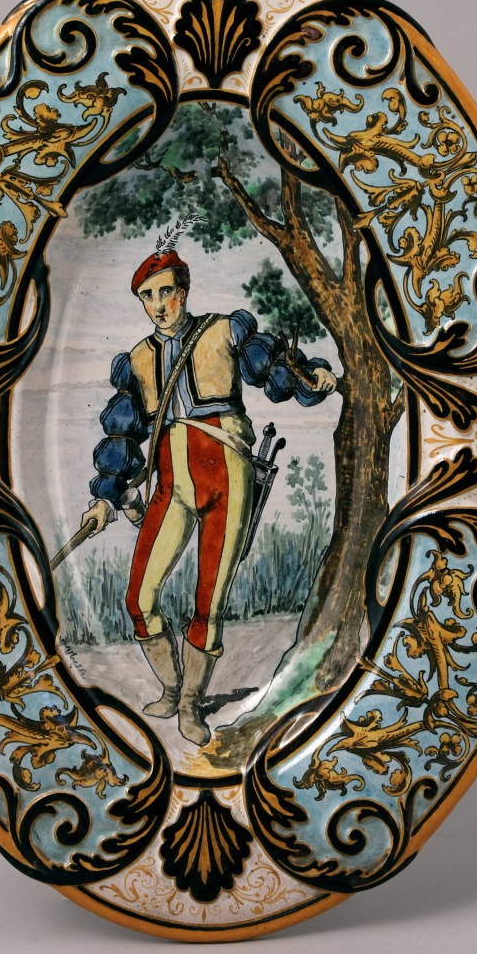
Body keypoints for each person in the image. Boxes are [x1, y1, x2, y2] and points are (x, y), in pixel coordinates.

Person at [79, 247, 337, 747]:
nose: (158, 305)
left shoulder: (225, 331)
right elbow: (122, 437)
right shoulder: (136, 361)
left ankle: (191, 704)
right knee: (139, 598)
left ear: (184, 291)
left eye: (166, 292)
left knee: (208, 604)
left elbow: (277, 371)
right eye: (147, 296)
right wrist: (105, 498)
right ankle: (171, 687)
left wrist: (313, 377)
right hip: (171, 484)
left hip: (228, 479)